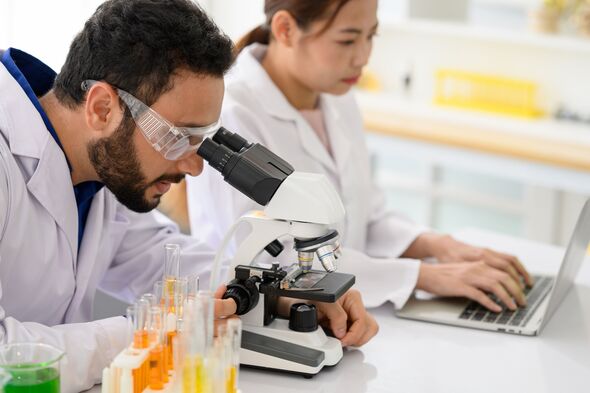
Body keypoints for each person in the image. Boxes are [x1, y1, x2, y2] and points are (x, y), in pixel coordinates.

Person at [0, 1, 377, 391]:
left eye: (201, 141)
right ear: (101, 107)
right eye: (177, 137)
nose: (194, 167)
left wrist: (281, 298)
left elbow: (164, 265)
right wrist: (150, 335)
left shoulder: (101, 170)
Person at [186, 0, 534, 314]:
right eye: (348, 40)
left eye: (372, 36)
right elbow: (272, 254)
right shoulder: (233, 110)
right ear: (286, 29)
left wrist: (439, 246)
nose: (364, 56)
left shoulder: (336, 96)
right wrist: (425, 276)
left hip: (351, 312)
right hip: (259, 317)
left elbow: (364, 214)